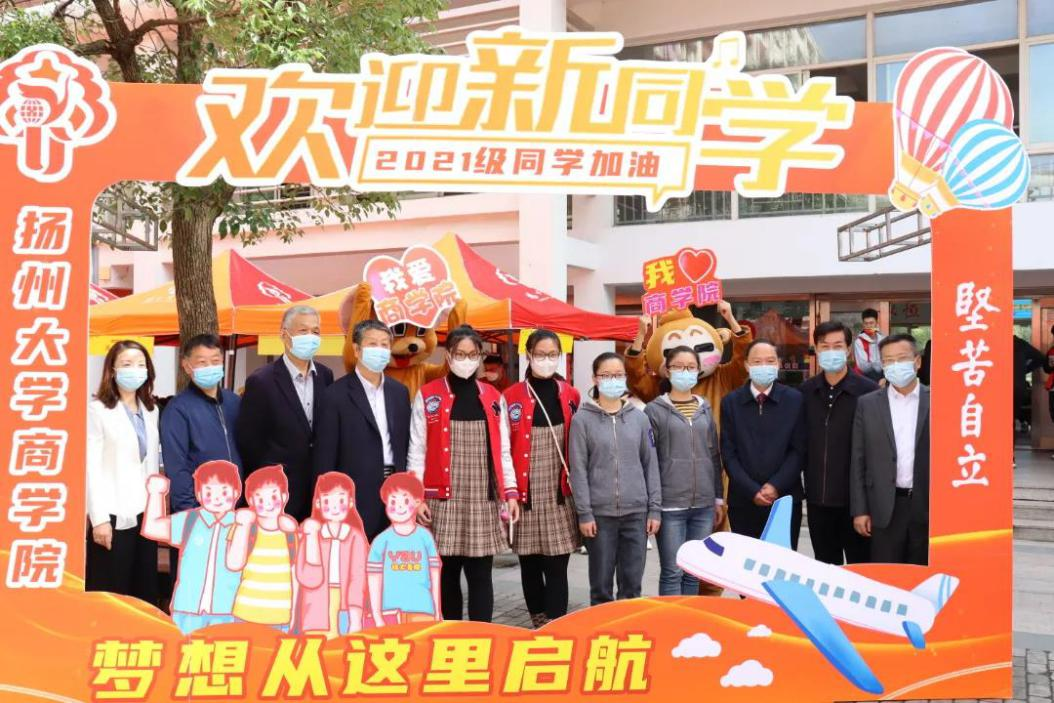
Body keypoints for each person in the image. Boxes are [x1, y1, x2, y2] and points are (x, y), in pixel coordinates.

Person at [408, 325, 520, 622]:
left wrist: (510, 492)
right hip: (441, 498)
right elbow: (417, 449)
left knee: (481, 574)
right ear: (448, 355)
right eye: (460, 354)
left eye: (473, 354)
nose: (466, 360)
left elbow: (504, 450)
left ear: (481, 356)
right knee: (446, 574)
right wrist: (416, 497)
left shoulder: (493, 397)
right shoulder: (428, 395)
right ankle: (451, 634)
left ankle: (482, 635)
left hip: (482, 496)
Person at [568, 352, 660, 605]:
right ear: (595, 379)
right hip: (600, 516)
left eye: (618, 375)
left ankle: (628, 627)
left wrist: (654, 509)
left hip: (636, 513)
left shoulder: (640, 418)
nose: (613, 380)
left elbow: (650, 465)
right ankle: (603, 628)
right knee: (601, 586)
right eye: (606, 375)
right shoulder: (582, 420)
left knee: (632, 586)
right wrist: (585, 513)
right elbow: (578, 470)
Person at [503, 329, 581, 627]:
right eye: (540, 354)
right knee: (530, 564)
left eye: (552, 355)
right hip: (526, 496)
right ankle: (538, 622)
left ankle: (556, 625)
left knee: (557, 565)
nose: (546, 360)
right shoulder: (510, 397)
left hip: (560, 495)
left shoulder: (570, 394)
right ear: (528, 355)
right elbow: (503, 447)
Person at [314, 319, 411, 540]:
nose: (380, 350)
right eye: (372, 344)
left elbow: (404, 443)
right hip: (354, 495)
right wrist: (323, 503)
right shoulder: (335, 395)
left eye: (384, 344)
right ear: (357, 350)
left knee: (390, 556)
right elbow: (325, 456)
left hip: (396, 493)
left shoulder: (399, 393)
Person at [236, 305, 334, 521]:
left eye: (315, 331)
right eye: (303, 331)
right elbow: (249, 442)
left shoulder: (325, 376)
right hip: (278, 493)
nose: (310, 337)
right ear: (284, 335)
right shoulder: (262, 381)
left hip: (317, 491)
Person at [85, 340, 161, 605]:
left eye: (141, 364)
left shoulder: (151, 410)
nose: (135, 370)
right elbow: (92, 467)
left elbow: (150, 462)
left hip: (145, 514)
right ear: (112, 370)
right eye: (127, 364)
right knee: (112, 592)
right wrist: (99, 519)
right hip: (113, 514)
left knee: (143, 590)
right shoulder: (97, 410)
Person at [645, 345, 723, 596]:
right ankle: (671, 619)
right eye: (679, 367)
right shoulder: (654, 410)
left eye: (690, 367)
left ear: (698, 371)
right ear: (667, 371)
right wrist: (653, 506)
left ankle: (687, 618)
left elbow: (713, 454)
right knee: (672, 571)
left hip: (703, 505)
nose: (685, 372)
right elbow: (650, 461)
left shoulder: (704, 407)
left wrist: (718, 498)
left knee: (692, 572)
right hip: (670, 506)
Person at [800, 322, 878, 565]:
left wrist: (866, 505)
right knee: (824, 569)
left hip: (856, 504)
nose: (831, 351)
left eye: (837, 346)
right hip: (818, 501)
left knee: (861, 570)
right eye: (825, 346)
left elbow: (875, 451)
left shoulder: (869, 392)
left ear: (848, 349)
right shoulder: (805, 392)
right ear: (816, 349)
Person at [850, 334, 931, 565]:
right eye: (888, 361)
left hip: (926, 506)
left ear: (917, 361)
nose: (895, 365)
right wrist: (860, 510)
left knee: (922, 574)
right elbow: (858, 459)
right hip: (884, 506)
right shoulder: (867, 404)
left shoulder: (938, 400)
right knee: (887, 573)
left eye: (902, 358)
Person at [720, 340, 805, 549]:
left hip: (784, 499)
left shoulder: (794, 399)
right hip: (743, 499)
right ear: (746, 365)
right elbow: (729, 454)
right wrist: (752, 490)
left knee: (782, 562)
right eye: (757, 362)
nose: (764, 366)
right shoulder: (731, 402)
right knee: (745, 561)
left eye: (770, 361)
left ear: (778, 364)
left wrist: (775, 486)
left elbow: (799, 450)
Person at [141, 461, 242, 634]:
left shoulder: (242, 525)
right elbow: (152, 528)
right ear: (199, 494)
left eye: (224, 492)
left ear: (236, 492)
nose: (217, 498)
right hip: (187, 609)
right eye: (209, 492)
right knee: (185, 647)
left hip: (227, 610)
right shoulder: (190, 520)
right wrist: (156, 494)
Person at [161, 334, 242, 514]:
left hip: (237, 507)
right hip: (200, 509)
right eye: (202, 362)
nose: (210, 367)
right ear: (186, 366)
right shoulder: (178, 409)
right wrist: (189, 512)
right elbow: (176, 467)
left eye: (215, 361)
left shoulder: (234, 402)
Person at [297, 472, 368, 638]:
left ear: (350, 502)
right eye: (328, 501)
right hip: (316, 605)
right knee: (317, 648)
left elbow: (358, 580)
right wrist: (312, 539)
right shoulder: (311, 534)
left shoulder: (355, 537)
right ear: (318, 503)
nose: (335, 507)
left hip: (345, 605)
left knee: (341, 649)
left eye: (341, 500)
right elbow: (309, 579)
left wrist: (355, 618)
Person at [227, 466, 298, 629]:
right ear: (251, 501)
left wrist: (295, 615)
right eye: (260, 499)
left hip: (281, 618)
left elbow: (296, 578)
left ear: (284, 496)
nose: (268, 504)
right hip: (245, 614)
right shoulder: (245, 528)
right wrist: (243, 526)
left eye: (273, 496)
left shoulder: (290, 534)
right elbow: (234, 564)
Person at [367, 473, 441, 624]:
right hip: (390, 614)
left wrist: (437, 611)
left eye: (406, 500)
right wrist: (377, 616)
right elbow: (373, 580)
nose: (399, 506)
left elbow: (435, 577)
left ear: (417, 502)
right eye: (393, 501)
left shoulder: (425, 538)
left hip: (423, 612)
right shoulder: (380, 542)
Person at [1013, 334, 1047, 432]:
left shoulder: (995, 343)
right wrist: (1024, 370)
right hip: (1018, 387)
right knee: (1011, 418)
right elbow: (1041, 358)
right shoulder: (1020, 344)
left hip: (1000, 388)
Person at [853, 308, 886, 382]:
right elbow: (863, 365)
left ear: (876, 323)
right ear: (863, 324)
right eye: (866, 323)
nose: (869, 326)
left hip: (883, 375)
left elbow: (887, 359)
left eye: (871, 323)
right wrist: (879, 364)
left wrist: (884, 377)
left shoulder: (883, 339)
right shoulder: (859, 341)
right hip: (866, 377)